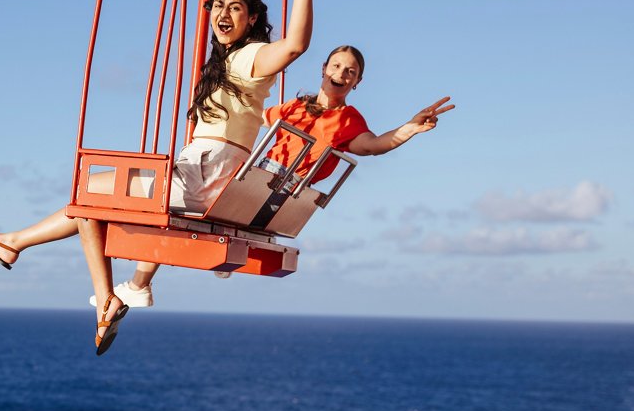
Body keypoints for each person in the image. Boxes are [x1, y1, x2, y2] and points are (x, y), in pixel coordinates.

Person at [0, 0, 339, 354]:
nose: (223, 14)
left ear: (252, 20)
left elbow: (294, 46)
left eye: (235, 9)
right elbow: (236, 22)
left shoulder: (249, 57)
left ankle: (92, 290)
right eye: (217, 6)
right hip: (207, 171)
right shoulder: (229, 57)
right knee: (86, 202)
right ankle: (17, 245)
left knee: (89, 196)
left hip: (205, 174)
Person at [101, 45, 454, 308]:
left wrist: (408, 129)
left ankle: (141, 283)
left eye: (350, 71)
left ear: (357, 81)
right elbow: (251, 115)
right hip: (258, 182)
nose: (342, 73)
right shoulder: (294, 107)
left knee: (174, 202)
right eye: (337, 65)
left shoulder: (349, 120)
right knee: (184, 206)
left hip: (273, 190)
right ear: (324, 68)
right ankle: (141, 283)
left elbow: (373, 145)